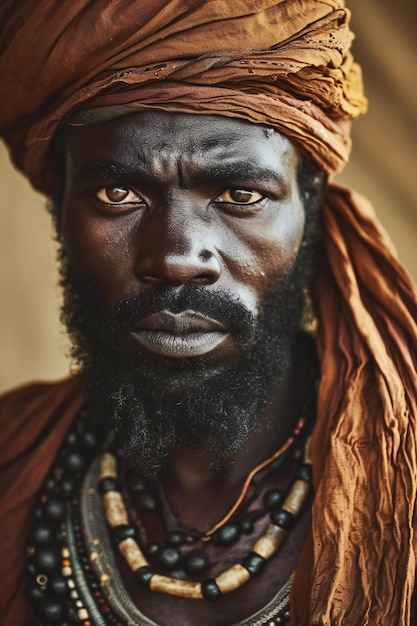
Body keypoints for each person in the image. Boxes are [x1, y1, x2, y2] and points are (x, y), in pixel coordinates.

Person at [0, 1, 416, 625]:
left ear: (311, 207)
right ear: (60, 205)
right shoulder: (11, 459)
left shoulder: (400, 464)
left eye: (240, 195)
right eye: (119, 194)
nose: (175, 258)